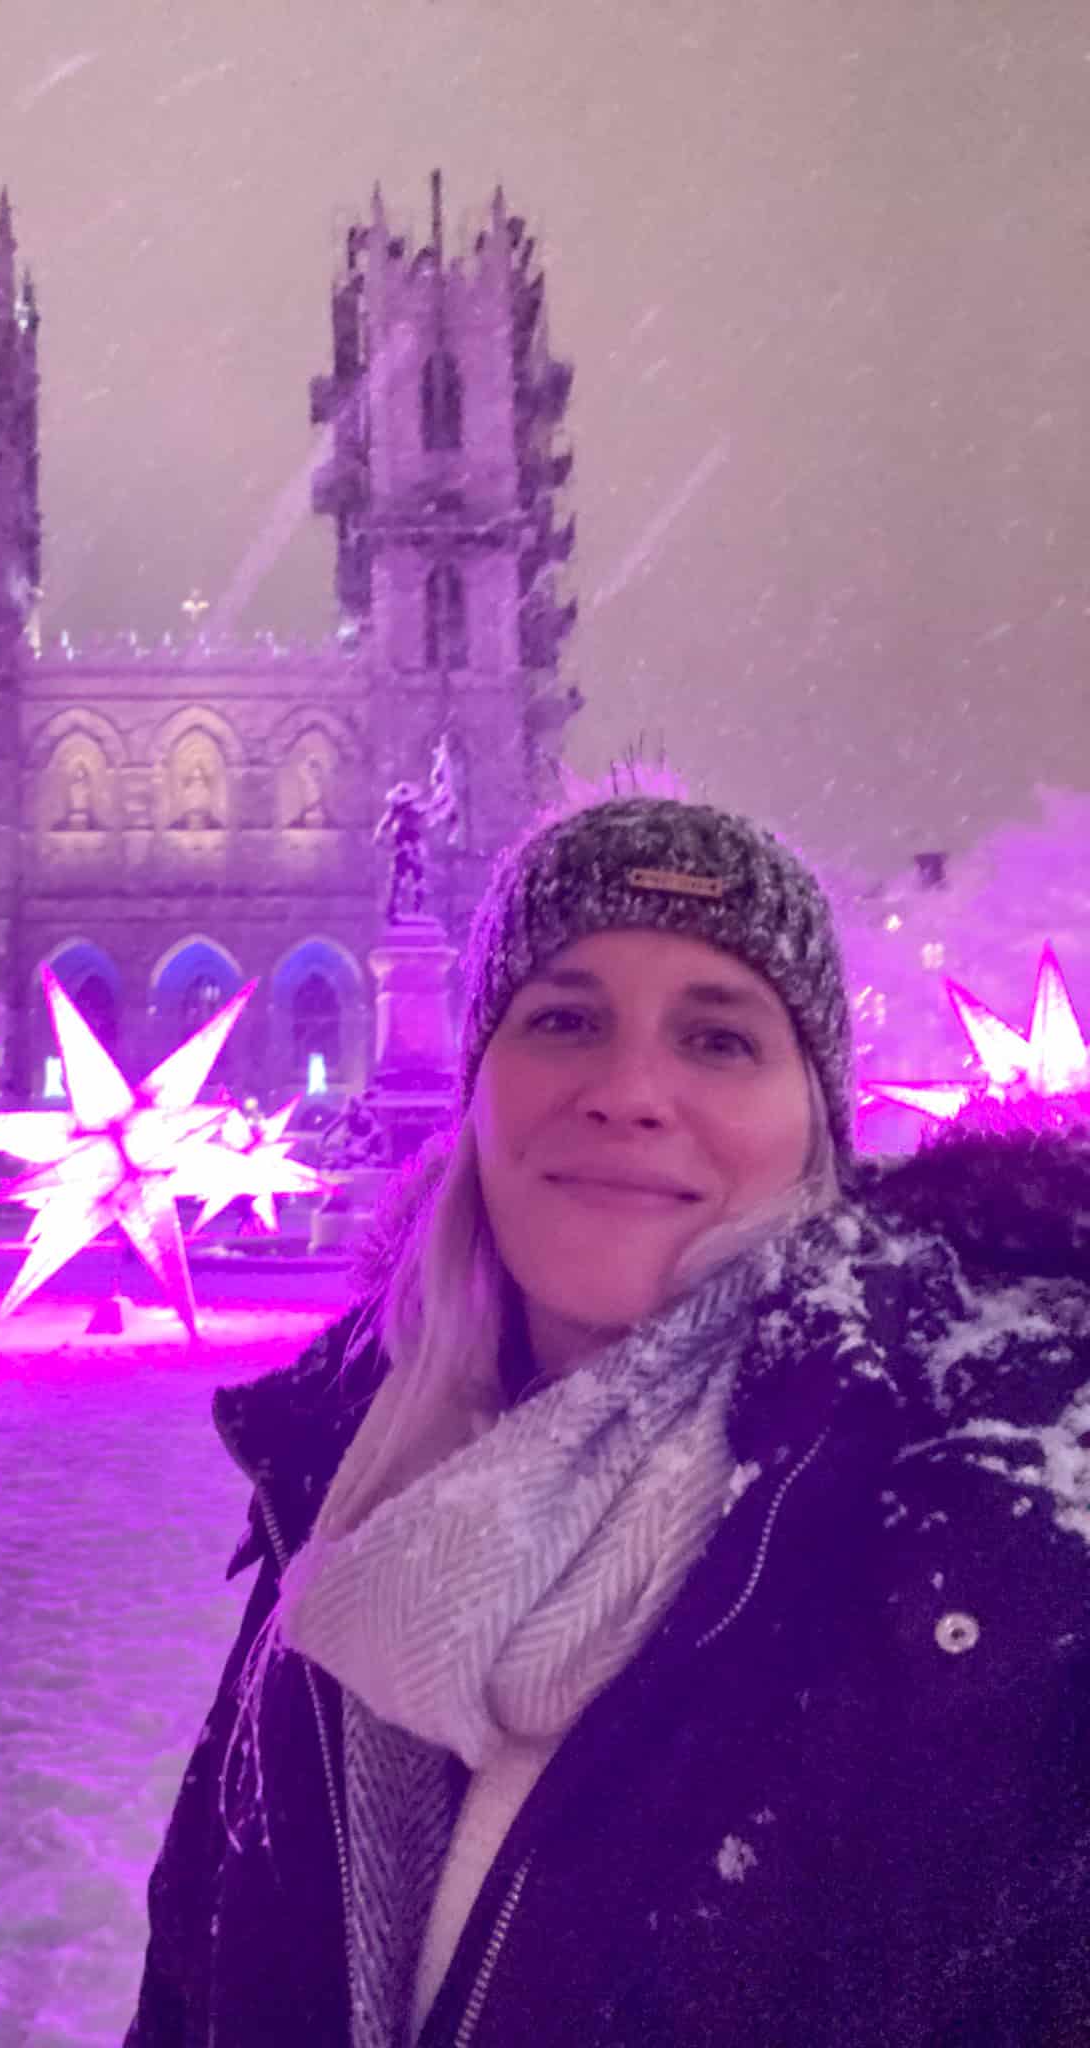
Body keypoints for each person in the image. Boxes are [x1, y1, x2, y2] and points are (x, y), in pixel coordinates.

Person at [126, 797, 1090, 2047]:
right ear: (477, 1092)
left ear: (819, 1128)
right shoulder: (346, 1475)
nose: (630, 1090)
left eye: (722, 1038)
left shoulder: (1006, 1530)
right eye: (566, 1018)